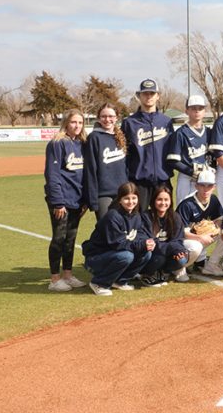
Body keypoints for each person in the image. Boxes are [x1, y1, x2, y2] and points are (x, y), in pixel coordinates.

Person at [81, 182, 154, 296]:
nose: (131, 202)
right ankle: (99, 283)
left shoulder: (136, 215)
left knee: (146, 254)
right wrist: (141, 244)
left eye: (134, 198)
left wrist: (147, 242)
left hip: (113, 255)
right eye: (126, 198)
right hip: (95, 258)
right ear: (119, 200)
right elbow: (118, 244)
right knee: (126, 256)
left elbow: (140, 234)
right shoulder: (113, 216)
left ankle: (119, 281)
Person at [44, 109, 88, 292]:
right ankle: (55, 279)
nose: (76, 126)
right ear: (66, 123)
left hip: (77, 200)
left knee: (70, 239)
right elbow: (52, 175)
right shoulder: (57, 143)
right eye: (73, 122)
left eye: (80, 122)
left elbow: (85, 175)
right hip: (61, 199)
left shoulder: (83, 143)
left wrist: (85, 200)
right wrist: (58, 202)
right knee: (59, 238)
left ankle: (68, 275)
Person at [121, 79, 174, 210]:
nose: (149, 96)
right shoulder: (129, 123)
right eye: (145, 93)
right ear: (139, 96)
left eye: (152, 93)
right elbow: (124, 154)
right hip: (139, 182)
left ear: (158, 96)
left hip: (163, 180)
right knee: (138, 221)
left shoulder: (166, 122)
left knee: (165, 221)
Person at [82, 104, 128, 219]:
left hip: (122, 193)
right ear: (98, 118)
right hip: (103, 194)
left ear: (117, 117)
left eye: (111, 116)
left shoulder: (120, 136)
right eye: (103, 116)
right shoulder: (94, 137)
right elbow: (90, 169)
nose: (107, 119)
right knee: (106, 229)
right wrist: (92, 199)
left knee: (121, 229)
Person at [177, 170, 223, 279]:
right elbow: (179, 233)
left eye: (209, 186)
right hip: (182, 240)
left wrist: (215, 226)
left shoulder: (213, 199)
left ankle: (210, 265)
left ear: (214, 187)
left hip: (197, 236)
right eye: (202, 185)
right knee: (195, 246)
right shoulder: (187, 204)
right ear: (196, 186)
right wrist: (200, 237)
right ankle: (179, 267)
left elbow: (220, 219)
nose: (206, 189)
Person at [137, 186, 187, 287]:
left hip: (167, 251)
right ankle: (147, 275)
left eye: (166, 200)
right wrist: (173, 248)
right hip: (151, 254)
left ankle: (163, 273)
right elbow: (151, 242)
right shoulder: (146, 217)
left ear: (170, 201)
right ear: (153, 200)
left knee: (183, 258)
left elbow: (178, 240)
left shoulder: (175, 217)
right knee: (160, 258)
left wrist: (179, 252)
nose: (163, 203)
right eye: (159, 199)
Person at [165, 95, 209, 201]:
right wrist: (191, 172)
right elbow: (173, 160)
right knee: (183, 209)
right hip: (187, 178)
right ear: (187, 111)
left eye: (200, 108)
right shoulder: (181, 133)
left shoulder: (209, 132)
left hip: (205, 178)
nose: (197, 111)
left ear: (204, 111)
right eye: (193, 108)